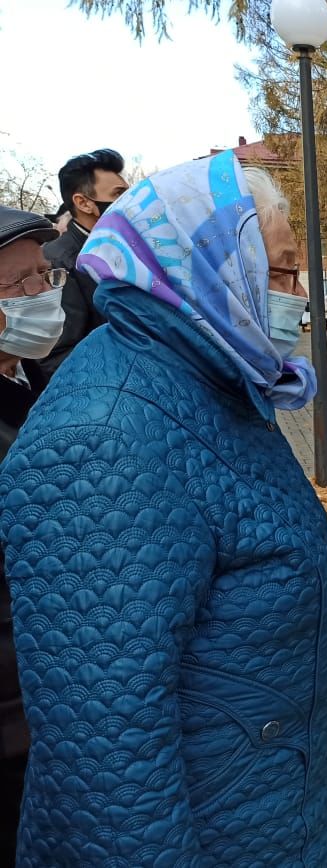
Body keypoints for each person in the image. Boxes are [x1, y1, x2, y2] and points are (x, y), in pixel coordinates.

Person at [0, 157, 327, 864]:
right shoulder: (102, 438)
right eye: (280, 272)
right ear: (210, 271)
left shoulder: (208, 374)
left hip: (260, 810)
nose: (298, 294)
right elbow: (106, 760)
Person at [0, 206, 66, 866]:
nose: (41, 296)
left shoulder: (37, 379)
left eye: (44, 276)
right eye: (19, 286)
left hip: (47, 705)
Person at [41, 148, 129, 374]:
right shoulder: (57, 262)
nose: (131, 202)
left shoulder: (126, 248)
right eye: (119, 194)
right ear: (84, 203)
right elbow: (57, 355)